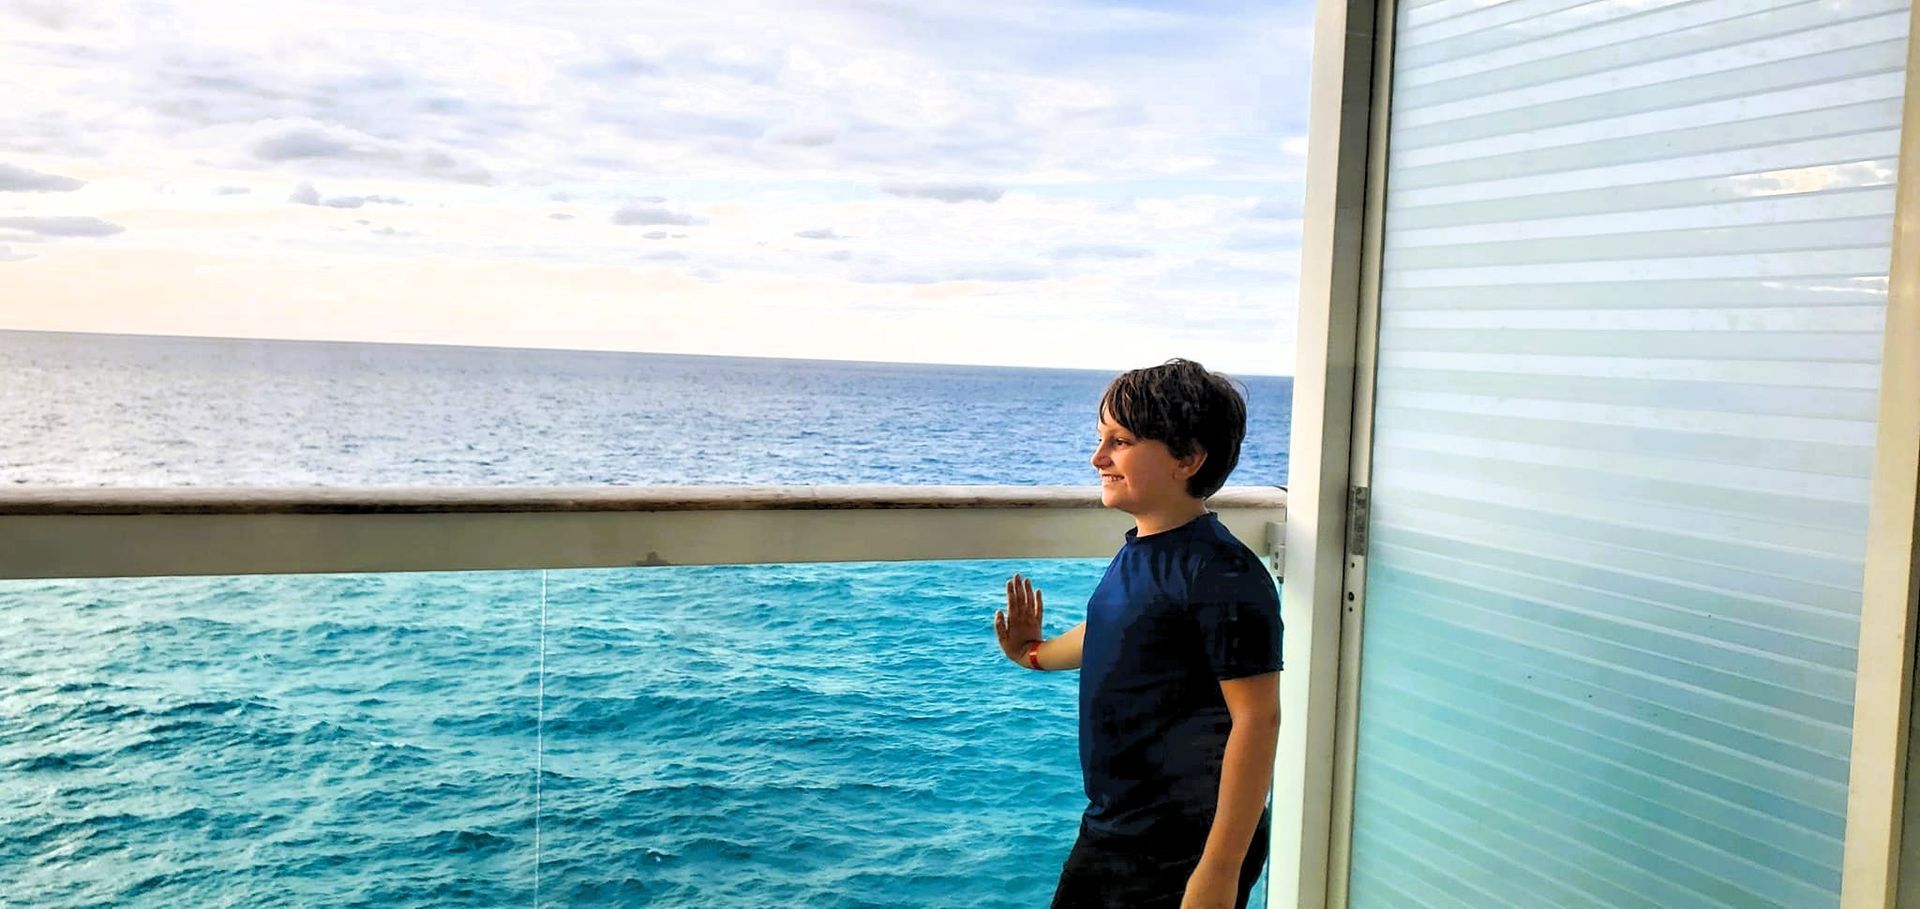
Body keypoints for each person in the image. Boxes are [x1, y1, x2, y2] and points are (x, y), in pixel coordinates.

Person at [993, 358, 1283, 909]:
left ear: (1187, 459)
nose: (1098, 458)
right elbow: (1115, 629)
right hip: (1118, 828)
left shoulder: (1222, 572)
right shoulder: (1142, 550)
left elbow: (1257, 717)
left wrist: (1218, 869)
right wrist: (1033, 654)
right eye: (1101, 439)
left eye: (1120, 442)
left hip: (1181, 844)